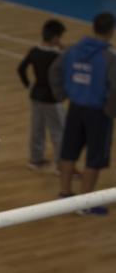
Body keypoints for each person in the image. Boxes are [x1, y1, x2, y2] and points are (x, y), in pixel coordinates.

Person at [50, 12, 116, 215]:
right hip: (98, 113)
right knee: (95, 158)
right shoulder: (110, 56)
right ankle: (85, 203)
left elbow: (54, 69)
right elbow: (115, 87)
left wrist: (61, 94)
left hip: (75, 108)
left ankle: (64, 194)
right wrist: (110, 110)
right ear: (112, 31)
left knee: (69, 152)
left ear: (93, 27)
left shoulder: (73, 49)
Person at [17, 20, 66, 171]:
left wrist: (28, 84)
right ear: (55, 38)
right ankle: (60, 165)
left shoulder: (34, 51)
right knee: (58, 131)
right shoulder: (57, 56)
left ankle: (35, 160)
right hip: (51, 99)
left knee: (37, 129)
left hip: (36, 95)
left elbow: (21, 68)